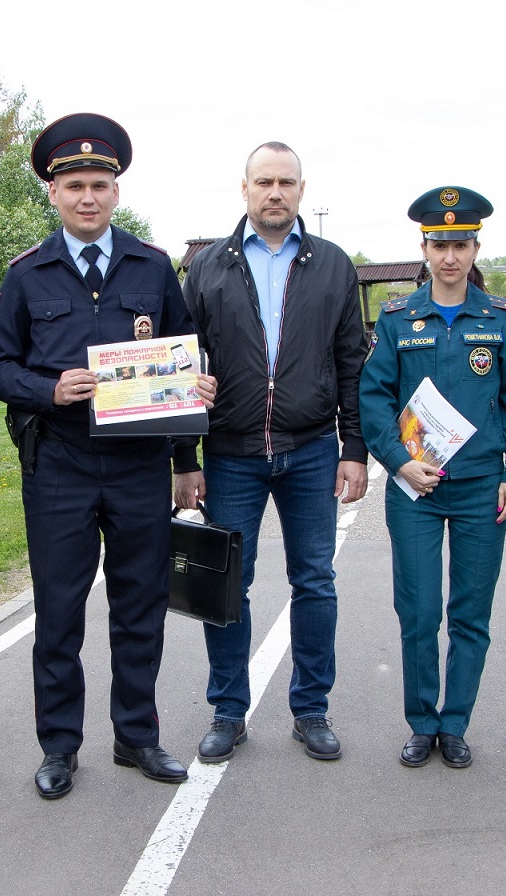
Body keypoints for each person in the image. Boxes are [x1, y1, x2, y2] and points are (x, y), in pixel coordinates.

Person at [0, 113, 215, 799]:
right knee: (58, 611)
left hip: (140, 463)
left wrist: (186, 454)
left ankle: (137, 736)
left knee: (139, 606)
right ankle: (59, 746)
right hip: (59, 464)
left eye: (100, 185)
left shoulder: (150, 266)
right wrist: (47, 388)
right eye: (75, 185)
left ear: (117, 192)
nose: (88, 197)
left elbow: (182, 359)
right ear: (52, 194)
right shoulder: (27, 274)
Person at [174, 142, 368, 763]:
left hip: (311, 447)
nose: (275, 192)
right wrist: (186, 458)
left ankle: (311, 709)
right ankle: (229, 711)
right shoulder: (207, 268)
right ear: (245, 188)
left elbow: (351, 363)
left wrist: (354, 447)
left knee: (315, 580)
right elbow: (179, 369)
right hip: (230, 453)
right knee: (228, 583)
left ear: (302, 190)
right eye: (264, 181)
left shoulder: (334, 265)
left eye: (286, 182)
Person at [359, 187, 506, 769]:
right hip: (416, 489)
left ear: (475, 246)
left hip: (482, 487)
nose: (450, 257)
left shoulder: (500, 318)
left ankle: (455, 723)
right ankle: (421, 722)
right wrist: (396, 460)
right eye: (440, 244)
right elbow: (373, 396)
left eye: (460, 244)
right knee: (417, 612)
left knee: (469, 613)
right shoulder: (398, 318)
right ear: (425, 247)